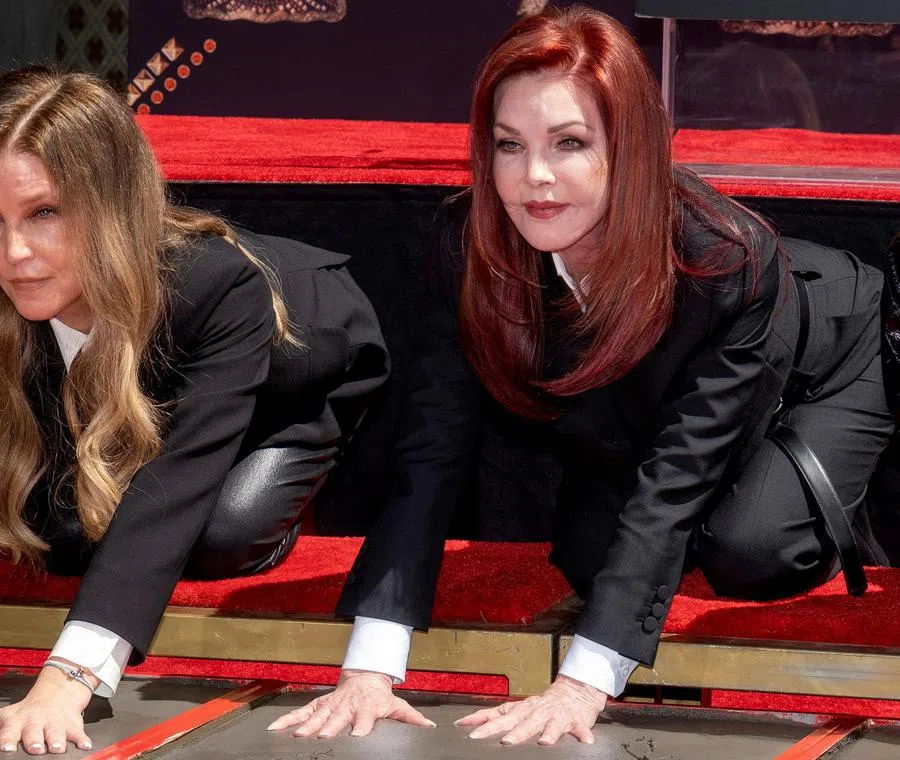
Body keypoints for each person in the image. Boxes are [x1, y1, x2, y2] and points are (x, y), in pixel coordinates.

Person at [271, 6, 893, 747]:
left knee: (750, 551)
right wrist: (370, 667)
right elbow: (430, 454)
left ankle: (793, 499)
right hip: (663, 399)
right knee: (590, 558)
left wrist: (581, 686)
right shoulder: (468, 244)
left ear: (627, 147)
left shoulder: (730, 260)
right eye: (509, 145)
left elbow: (675, 477)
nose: (534, 177)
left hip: (823, 358)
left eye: (569, 143)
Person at [0, 66, 387, 755]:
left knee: (215, 530)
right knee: (48, 526)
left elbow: (171, 489)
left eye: (44, 213)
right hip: (106, 391)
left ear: (110, 206)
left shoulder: (216, 288)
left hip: (283, 393)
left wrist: (63, 684)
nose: (12, 253)